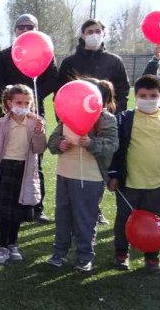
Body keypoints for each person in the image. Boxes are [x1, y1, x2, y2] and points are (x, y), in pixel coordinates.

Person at [108, 74, 160, 272]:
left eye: (153, 95)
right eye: (143, 95)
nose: (148, 99)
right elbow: (116, 150)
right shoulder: (124, 120)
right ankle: (121, 253)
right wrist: (114, 174)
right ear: (136, 96)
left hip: (157, 185)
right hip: (129, 183)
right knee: (124, 220)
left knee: (153, 221)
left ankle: (151, 256)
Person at [0, 14, 59, 222]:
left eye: (30, 26)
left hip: (35, 112)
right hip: (8, 113)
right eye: (21, 26)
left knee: (35, 161)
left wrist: (29, 100)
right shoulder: (3, 55)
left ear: (37, 29)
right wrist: (14, 100)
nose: (25, 29)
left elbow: (51, 81)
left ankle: (36, 208)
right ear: (14, 30)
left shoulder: (47, 54)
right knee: (4, 159)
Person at [46, 78, 119, 272]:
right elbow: (53, 141)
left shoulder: (106, 119)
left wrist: (91, 143)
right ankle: (59, 253)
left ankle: (84, 257)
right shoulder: (67, 116)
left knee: (85, 218)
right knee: (63, 217)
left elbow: (112, 145)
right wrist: (59, 143)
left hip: (90, 177)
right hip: (64, 174)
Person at [0, 84, 47, 264]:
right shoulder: (1, 124)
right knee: (4, 211)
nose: (23, 106)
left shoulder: (35, 123)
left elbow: (39, 149)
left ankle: (13, 244)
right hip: (5, 170)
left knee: (17, 210)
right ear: (9, 103)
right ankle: (2, 245)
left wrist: (40, 134)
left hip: (25, 170)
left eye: (27, 103)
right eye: (19, 102)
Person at [57, 19, 131, 112]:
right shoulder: (69, 62)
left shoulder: (115, 61)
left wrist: (115, 116)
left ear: (103, 34)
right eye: (90, 32)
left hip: (107, 119)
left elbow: (122, 92)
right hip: (77, 116)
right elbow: (60, 92)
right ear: (83, 35)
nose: (94, 35)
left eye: (98, 31)